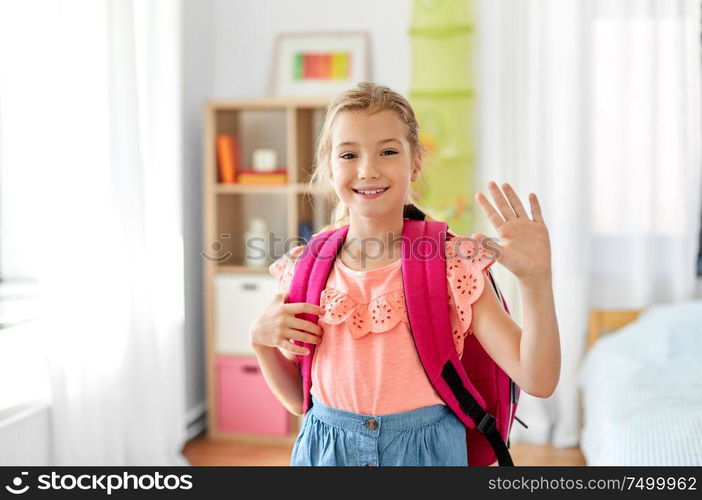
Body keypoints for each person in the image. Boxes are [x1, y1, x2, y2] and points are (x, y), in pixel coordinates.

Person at [248, 81, 560, 466]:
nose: (368, 169)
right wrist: (260, 343)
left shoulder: (451, 265)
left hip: (426, 455)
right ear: (329, 168)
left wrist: (536, 280)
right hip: (324, 451)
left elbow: (539, 379)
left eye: (388, 151)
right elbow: (300, 399)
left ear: (415, 163)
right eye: (348, 154)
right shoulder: (306, 269)